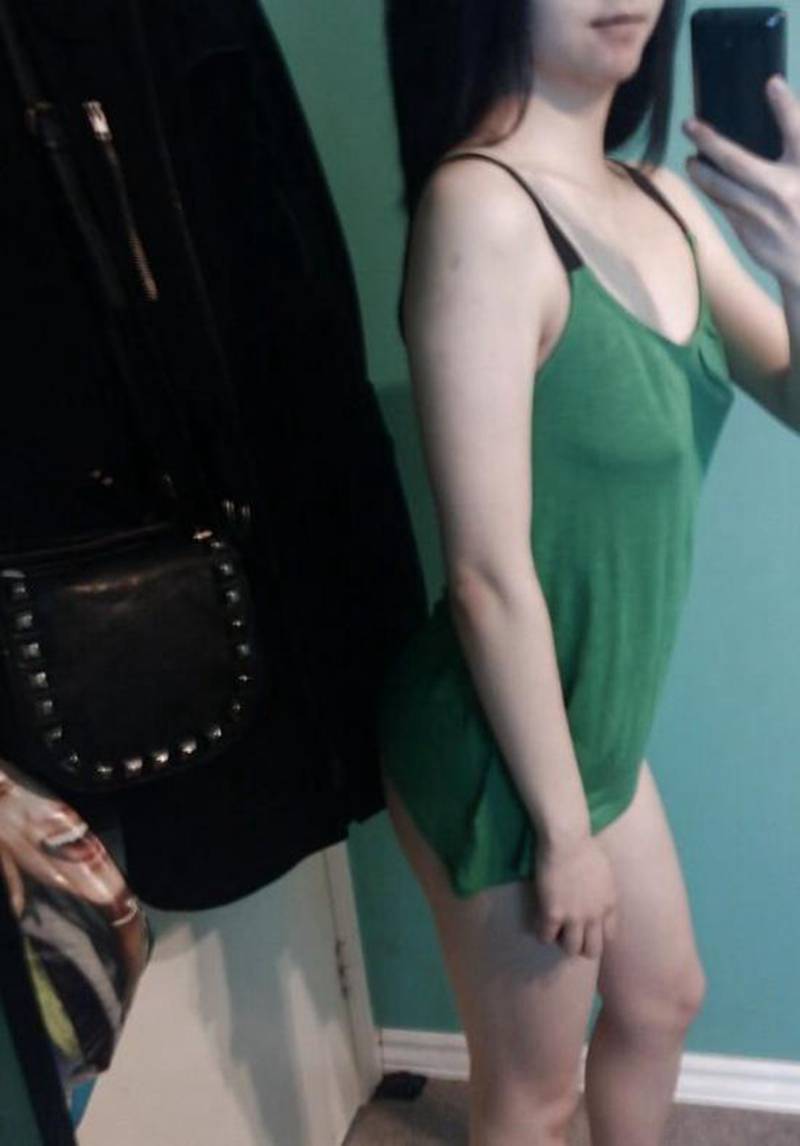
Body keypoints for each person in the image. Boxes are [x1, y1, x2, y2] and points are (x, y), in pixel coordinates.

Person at [378, 2, 792, 1144]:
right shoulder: (482, 209)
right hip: (498, 743)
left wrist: (797, 262)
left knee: (661, 1001)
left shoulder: (658, 199)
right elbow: (485, 572)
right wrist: (563, 839)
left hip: (591, 727)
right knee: (532, 1095)